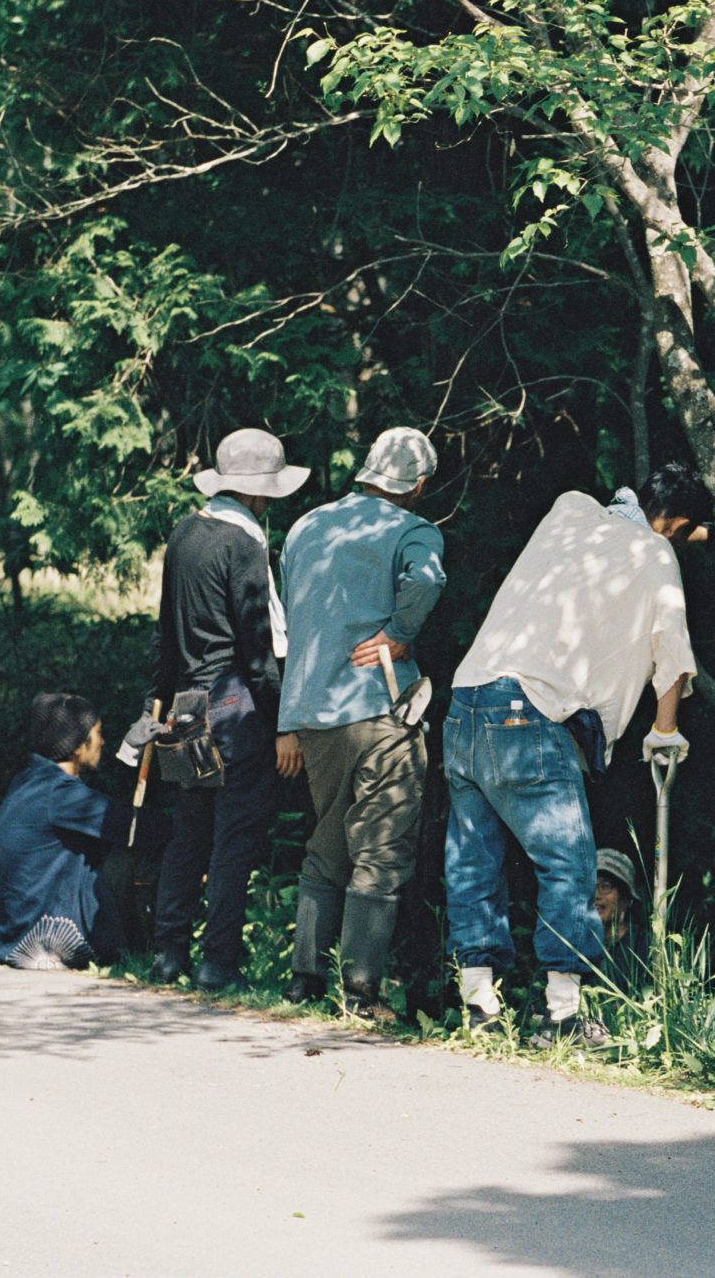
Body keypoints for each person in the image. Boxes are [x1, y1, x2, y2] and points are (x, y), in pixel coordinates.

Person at [443, 463, 715, 1046]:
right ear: (675, 525)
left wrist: (714, 534)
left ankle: (479, 1007)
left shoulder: (570, 508)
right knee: (568, 863)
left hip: (468, 699)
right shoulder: (657, 555)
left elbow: (639, 523)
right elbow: (670, 646)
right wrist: (665, 729)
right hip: (532, 709)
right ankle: (561, 1015)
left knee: (474, 857)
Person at [122, 427, 309, 989]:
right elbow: (258, 646)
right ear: (257, 491)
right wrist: (283, 725)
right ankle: (218, 964)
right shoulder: (244, 542)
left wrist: (154, 705)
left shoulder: (184, 533)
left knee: (190, 833)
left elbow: (164, 631)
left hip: (186, 703)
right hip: (237, 706)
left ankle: (168, 955)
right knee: (234, 840)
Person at [276, 427, 447, 1020]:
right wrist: (398, 636)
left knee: (326, 844)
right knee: (381, 850)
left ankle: (304, 980)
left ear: (366, 469)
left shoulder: (305, 527)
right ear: (419, 485)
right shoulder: (413, 530)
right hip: (380, 709)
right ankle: (361, 992)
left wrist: (289, 716)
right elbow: (427, 580)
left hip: (315, 715)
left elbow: (292, 620)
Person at [0, 693, 170, 970]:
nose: (102, 741)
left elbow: (107, 811)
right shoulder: (59, 794)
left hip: (13, 935)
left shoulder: (30, 782)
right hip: (48, 940)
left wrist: (129, 751)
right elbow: (136, 826)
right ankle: (155, 952)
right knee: (141, 853)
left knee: (116, 845)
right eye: (98, 733)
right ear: (76, 745)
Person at [592, 847, 650, 991]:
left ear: (626, 898)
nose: (596, 895)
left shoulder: (644, 947)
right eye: (591, 886)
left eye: (606, 886)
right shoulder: (574, 945)